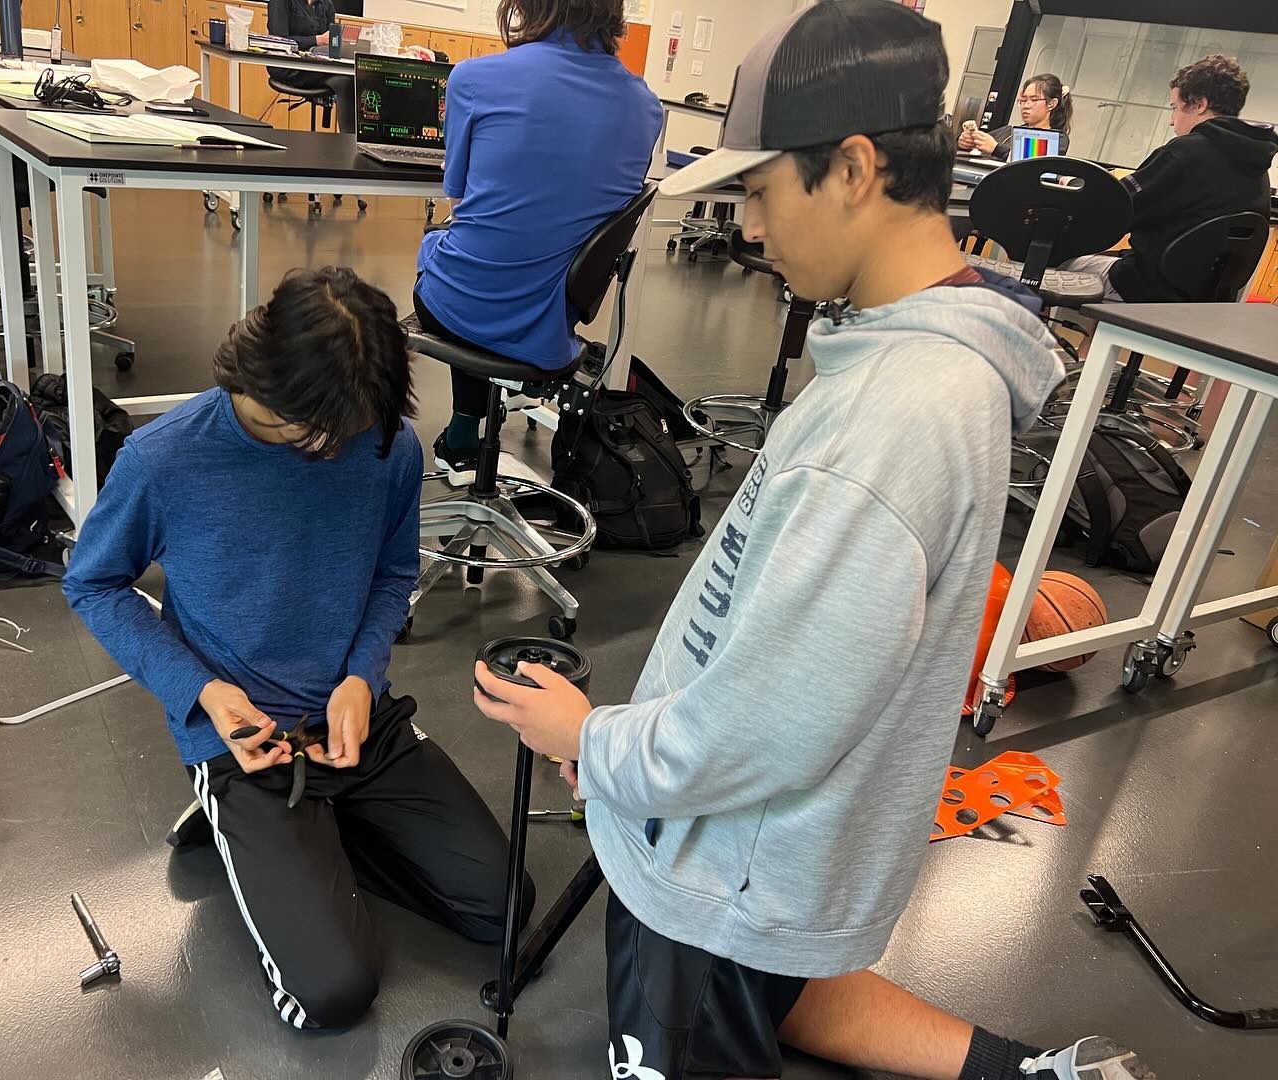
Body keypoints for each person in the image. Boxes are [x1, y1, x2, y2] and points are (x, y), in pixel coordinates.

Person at [473, 4, 1153, 1079]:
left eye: (756, 189)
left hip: (722, 882)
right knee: (777, 996)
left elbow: (766, 727)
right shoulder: (912, 366)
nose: (747, 227)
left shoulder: (890, 420)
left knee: (711, 1017)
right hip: (759, 856)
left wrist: (597, 746)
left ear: (850, 168)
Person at [63, 268, 532, 1030]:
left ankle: (311, 841)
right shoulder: (164, 459)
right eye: (324, 435)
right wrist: (203, 694)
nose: (344, 447)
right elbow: (94, 585)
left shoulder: (384, 442)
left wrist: (360, 676)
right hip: (243, 740)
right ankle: (252, 829)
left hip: (358, 719)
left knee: (507, 910)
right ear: (272, 387)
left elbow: (392, 573)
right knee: (334, 996)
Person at [413, 0, 662, 481]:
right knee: (521, 260)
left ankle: (467, 426)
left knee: (452, 259)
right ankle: (473, 423)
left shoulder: (473, 78)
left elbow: (459, 196)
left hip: (458, 308)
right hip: (549, 331)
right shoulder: (646, 108)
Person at [1065, 54, 1278, 302]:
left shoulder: (1184, 153)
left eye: (1174, 108)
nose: (1171, 121)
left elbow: (1115, 210)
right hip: (1204, 303)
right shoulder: (1258, 170)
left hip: (1146, 289)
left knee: (1059, 266)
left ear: (1199, 104)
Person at [266, 0, 357, 135]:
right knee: (348, 76)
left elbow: (330, 42)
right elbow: (279, 40)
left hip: (319, 63)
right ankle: (351, 138)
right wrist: (317, 40)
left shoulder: (326, 4)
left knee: (346, 80)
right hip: (287, 65)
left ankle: (352, 140)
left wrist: (339, 41)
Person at [957, 73, 1072, 160]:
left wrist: (996, 148)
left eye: (1033, 99)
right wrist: (964, 143)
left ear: (1051, 104)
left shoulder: (1057, 139)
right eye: (1023, 100)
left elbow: (1030, 164)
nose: (1026, 105)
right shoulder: (1008, 131)